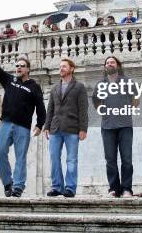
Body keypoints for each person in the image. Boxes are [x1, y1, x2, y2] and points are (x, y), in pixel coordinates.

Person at [0, 37, 46, 198]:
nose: (18, 68)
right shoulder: (9, 80)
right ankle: (8, 183)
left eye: (22, 66)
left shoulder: (34, 87)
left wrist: (40, 124)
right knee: (0, 152)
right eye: (17, 66)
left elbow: (40, 107)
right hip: (6, 123)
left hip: (23, 127)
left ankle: (18, 186)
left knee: (21, 157)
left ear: (28, 69)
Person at [92, 56, 139, 198]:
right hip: (107, 126)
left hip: (125, 125)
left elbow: (136, 100)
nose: (109, 64)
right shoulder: (100, 84)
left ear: (118, 65)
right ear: (105, 67)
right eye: (107, 63)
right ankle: (114, 188)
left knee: (127, 159)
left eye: (112, 62)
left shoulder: (128, 82)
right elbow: (96, 102)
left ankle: (127, 189)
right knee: (110, 159)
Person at [44, 58, 88, 198]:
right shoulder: (55, 88)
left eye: (64, 66)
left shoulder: (79, 87)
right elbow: (50, 108)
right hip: (55, 129)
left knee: (71, 160)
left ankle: (70, 188)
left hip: (72, 128)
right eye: (60, 67)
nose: (61, 69)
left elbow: (83, 109)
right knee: (54, 158)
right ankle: (57, 187)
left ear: (72, 69)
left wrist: (83, 129)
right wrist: (47, 126)